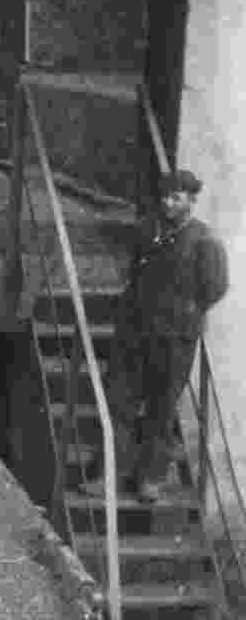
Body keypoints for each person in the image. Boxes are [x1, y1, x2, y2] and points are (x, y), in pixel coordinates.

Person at [82, 168, 229, 503]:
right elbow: (134, 273)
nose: (168, 203)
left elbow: (215, 288)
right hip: (135, 332)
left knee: (161, 408)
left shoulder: (204, 240)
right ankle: (108, 474)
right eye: (164, 196)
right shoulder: (148, 233)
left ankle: (150, 478)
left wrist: (186, 312)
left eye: (176, 198)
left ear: (191, 202)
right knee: (119, 401)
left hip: (175, 339)